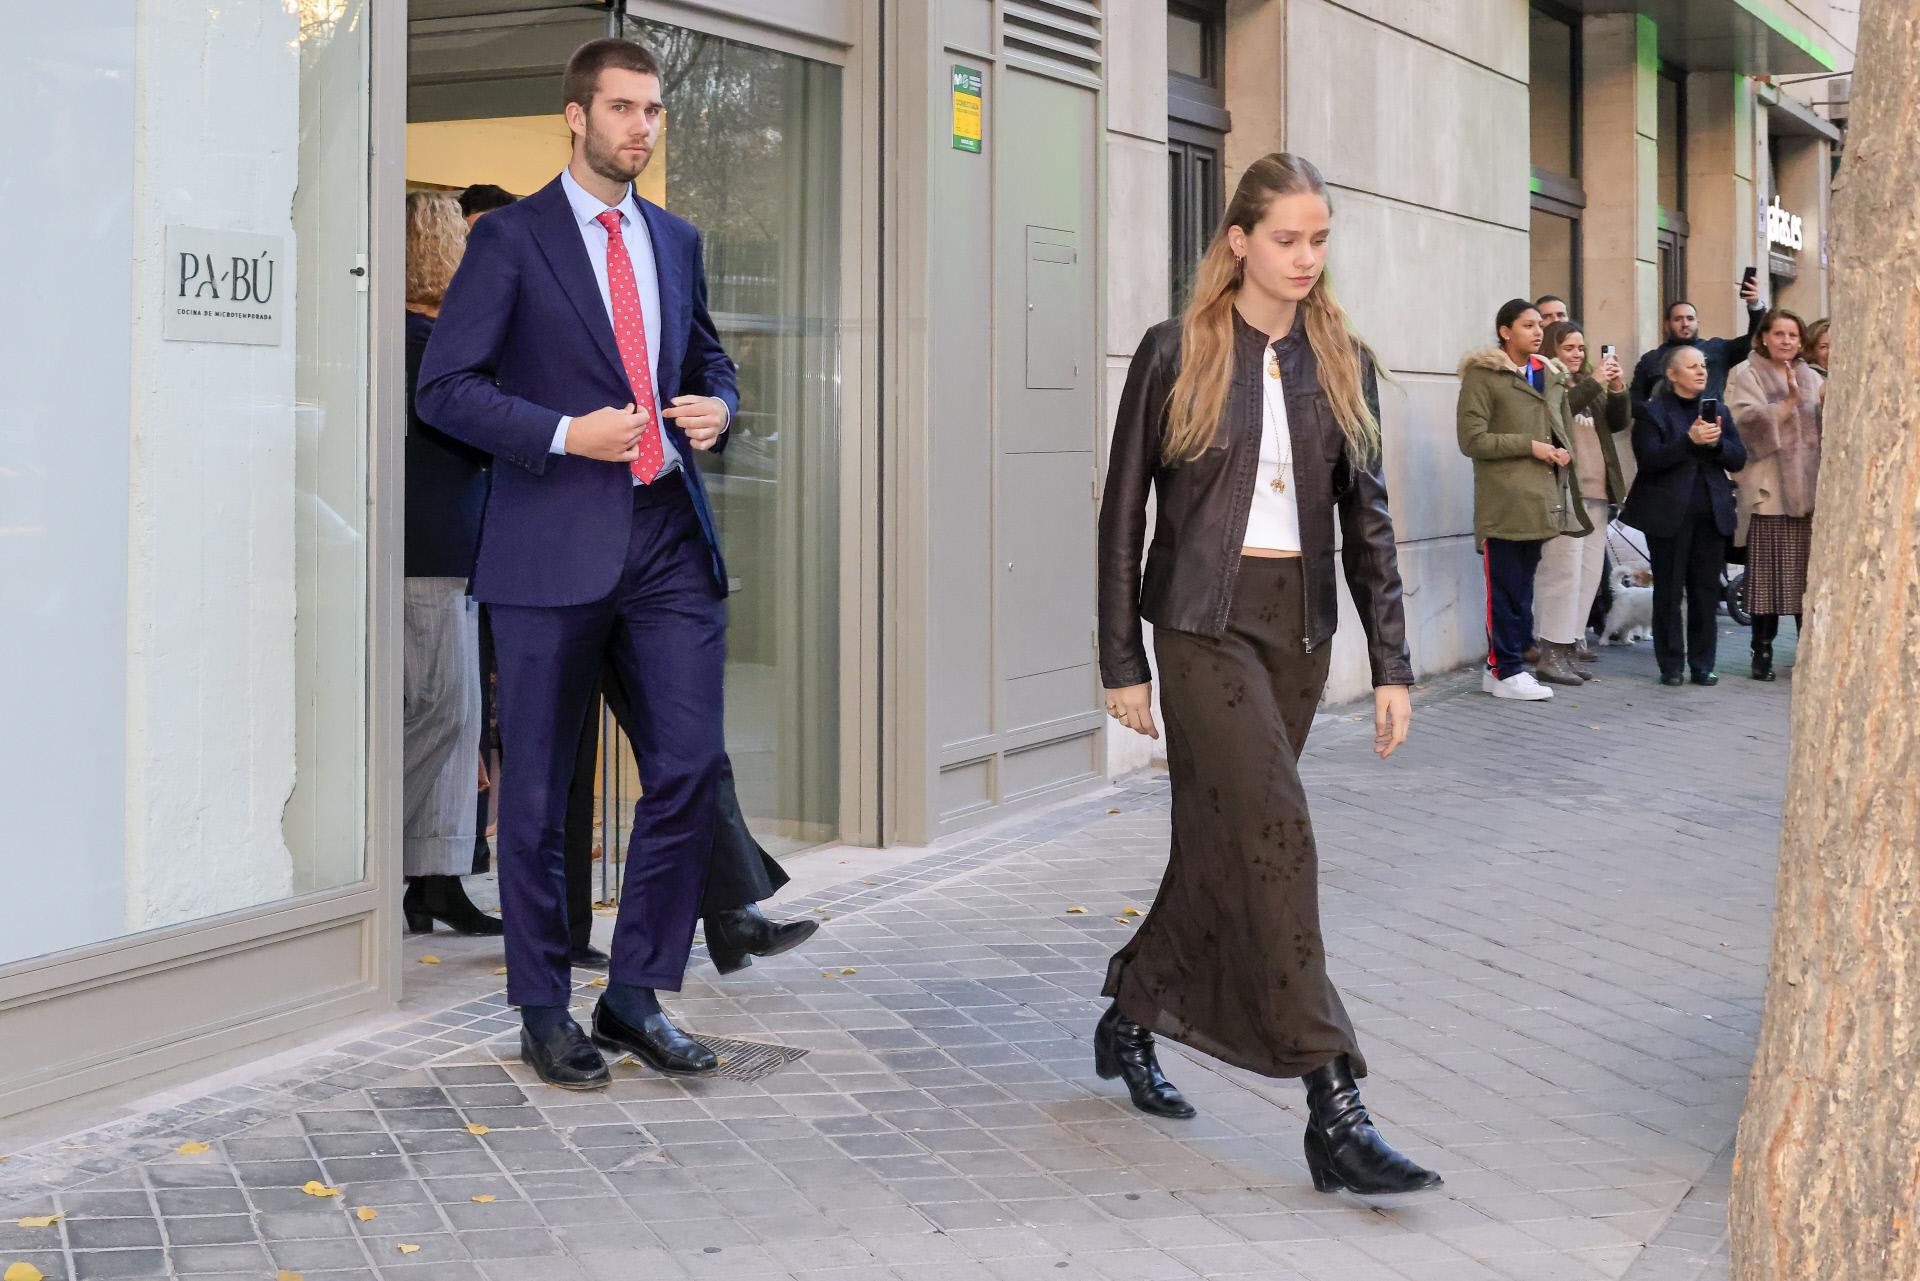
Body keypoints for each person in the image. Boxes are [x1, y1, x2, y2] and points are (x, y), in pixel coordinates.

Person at [1098, 152, 1438, 1196]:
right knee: (1278, 842)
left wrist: (1392, 664)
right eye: (1287, 238)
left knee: (1224, 846)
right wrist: (1122, 659)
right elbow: (1123, 517)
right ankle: (1334, 1103)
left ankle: (1130, 1012)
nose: (1306, 258)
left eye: (1320, 239)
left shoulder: (1346, 360)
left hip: (1297, 637)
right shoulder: (1174, 353)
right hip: (1202, 628)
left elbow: (1368, 522)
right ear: (1239, 240)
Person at [418, 37, 741, 1090]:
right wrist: (565, 433)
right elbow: (446, 387)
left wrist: (718, 407)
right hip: (550, 540)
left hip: (665, 539)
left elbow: (707, 357)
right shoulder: (510, 239)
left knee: (688, 766)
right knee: (543, 793)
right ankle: (543, 1006)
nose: (640, 128)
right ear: (576, 115)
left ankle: (636, 992)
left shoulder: (677, 240)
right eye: (622, 109)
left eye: (652, 111)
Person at [563, 666, 818, 970]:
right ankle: (725, 921)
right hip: (559, 625)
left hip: (634, 624)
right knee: (564, 782)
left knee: (692, 756)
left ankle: (727, 915)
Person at [400, 192, 502, 937]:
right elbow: (472, 437)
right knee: (443, 715)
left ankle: (434, 880)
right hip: (433, 553)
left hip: (443, 553)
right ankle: (409, 873)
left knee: (452, 720)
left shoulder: (413, 338)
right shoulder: (421, 343)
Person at [1456, 300, 1589, 701]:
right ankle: (1503, 669)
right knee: (1505, 590)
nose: (1537, 332)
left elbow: (1560, 427)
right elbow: (1471, 439)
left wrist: (1563, 452)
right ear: (1504, 331)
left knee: (1524, 591)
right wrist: (1529, 446)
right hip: (1503, 503)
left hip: (1541, 500)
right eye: (1527, 325)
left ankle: (1510, 669)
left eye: (1538, 325)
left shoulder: (1548, 374)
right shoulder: (1484, 376)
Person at [1620, 347, 1748, 686]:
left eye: (1703, 365)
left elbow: (1738, 459)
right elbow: (1649, 461)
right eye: (1692, 366)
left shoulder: (1718, 410)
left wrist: (1718, 443)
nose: (1701, 371)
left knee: (1706, 592)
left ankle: (1703, 665)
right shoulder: (1652, 413)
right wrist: (1689, 442)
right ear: (1672, 375)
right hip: (1668, 517)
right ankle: (1671, 665)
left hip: (1711, 514)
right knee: (1669, 592)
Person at [1724, 309, 1823, 681]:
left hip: (1809, 493)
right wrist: (1783, 408)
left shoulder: (1810, 376)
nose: (1786, 341)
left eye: (1793, 335)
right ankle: (1761, 652)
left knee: (1807, 580)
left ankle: (1808, 652)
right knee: (1766, 580)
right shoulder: (1744, 373)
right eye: (1779, 334)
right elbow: (1740, 427)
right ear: (1763, 337)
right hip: (1769, 490)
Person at [1532, 321, 1628, 683]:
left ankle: (1571, 641)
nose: (1577, 355)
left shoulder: (1593, 384)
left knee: (1588, 574)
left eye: (1580, 348)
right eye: (1569, 347)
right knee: (1562, 572)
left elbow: (1618, 423)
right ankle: (1549, 646)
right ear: (1554, 349)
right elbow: (1557, 411)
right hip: (1566, 490)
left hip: (1598, 491)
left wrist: (1617, 389)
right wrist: (1595, 382)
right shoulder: (1547, 379)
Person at [1629, 281, 1766, 411]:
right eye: (1678, 319)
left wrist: (1754, 305)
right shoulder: (1651, 359)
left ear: (1697, 322)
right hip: (1669, 431)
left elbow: (1754, 339)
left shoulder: (1718, 349)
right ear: (1667, 325)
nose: (1685, 324)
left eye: (1690, 318)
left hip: (1710, 425)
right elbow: (1635, 402)